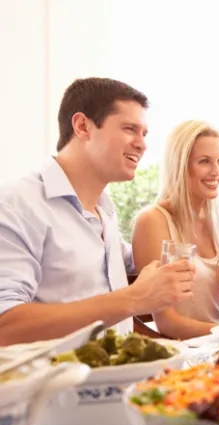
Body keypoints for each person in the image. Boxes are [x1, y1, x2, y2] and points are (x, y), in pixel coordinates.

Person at [0, 78, 195, 345]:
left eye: (144, 134)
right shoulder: (15, 205)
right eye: (129, 129)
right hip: (55, 386)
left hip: (120, 382)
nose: (142, 144)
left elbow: (131, 273)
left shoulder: (105, 211)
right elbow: (5, 325)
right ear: (82, 126)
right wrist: (135, 298)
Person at [132, 120, 219, 339]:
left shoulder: (214, 220)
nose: (216, 171)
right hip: (192, 351)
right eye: (204, 161)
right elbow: (168, 323)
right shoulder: (153, 221)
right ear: (180, 165)